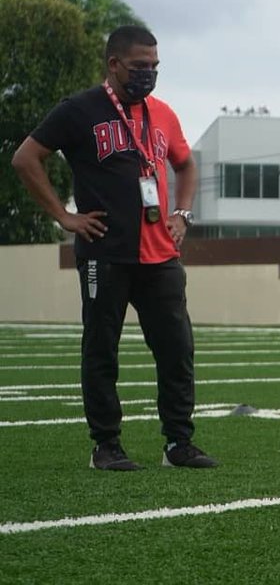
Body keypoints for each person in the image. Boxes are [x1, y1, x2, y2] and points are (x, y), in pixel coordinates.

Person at [11, 25, 218, 470]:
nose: (149, 75)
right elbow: (25, 158)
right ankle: (106, 445)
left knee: (176, 347)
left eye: (155, 67)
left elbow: (185, 166)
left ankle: (178, 443)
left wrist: (182, 214)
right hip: (105, 253)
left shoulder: (162, 113)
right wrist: (63, 217)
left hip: (160, 254)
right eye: (141, 67)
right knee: (102, 348)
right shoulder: (79, 110)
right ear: (114, 64)